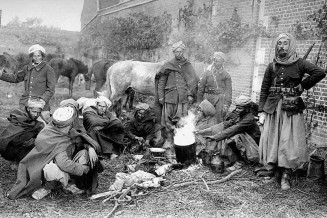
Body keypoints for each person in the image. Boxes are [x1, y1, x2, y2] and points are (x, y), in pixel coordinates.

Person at [257, 33, 326, 190]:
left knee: (288, 142)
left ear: (291, 45)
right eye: (279, 43)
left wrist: (302, 86)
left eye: (285, 43)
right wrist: (261, 110)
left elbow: (319, 73)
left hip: (290, 109)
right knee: (273, 139)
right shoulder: (271, 66)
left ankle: (286, 175)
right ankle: (273, 170)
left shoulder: (300, 63)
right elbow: (264, 89)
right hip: (273, 109)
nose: (282, 46)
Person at [7, 99, 102, 200]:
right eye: (68, 125)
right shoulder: (55, 137)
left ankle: (72, 183)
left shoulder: (58, 130)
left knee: (84, 153)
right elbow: (64, 163)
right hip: (48, 168)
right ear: (63, 125)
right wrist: (83, 169)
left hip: (63, 161)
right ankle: (50, 186)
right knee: (52, 169)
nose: (70, 127)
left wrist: (90, 148)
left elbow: (81, 139)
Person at [155, 41, 199, 153]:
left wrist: (190, 94)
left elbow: (192, 81)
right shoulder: (168, 65)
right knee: (167, 121)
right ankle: (168, 141)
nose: (179, 53)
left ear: (183, 52)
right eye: (176, 52)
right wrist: (161, 97)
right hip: (169, 97)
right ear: (173, 52)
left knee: (181, 120)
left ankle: (179, 141)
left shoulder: (188, 65)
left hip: (182, 98)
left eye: (180, 51)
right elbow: (161, 81)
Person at [196, 95, 260, 172]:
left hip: (252, 143)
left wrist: (215, 137)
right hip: (244, 139)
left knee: (232, 138)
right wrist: (202, 131)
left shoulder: (249, 119)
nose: (236, 110)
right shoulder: (239, 115)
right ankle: (234, 158)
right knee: (226, 134)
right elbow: (224, 124)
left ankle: (241, 161)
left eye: (239, 108)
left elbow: (233, 129)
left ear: (247, 109)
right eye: (236, 107)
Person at [0, 44, 56, 120]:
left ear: (42, 56)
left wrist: (42, 101)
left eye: (38, 55)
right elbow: (15, 78)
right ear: (31, 56)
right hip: (25, 105)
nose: (36, 58)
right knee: (19, 125)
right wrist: (1, 75)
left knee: (41, 128)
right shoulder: (27, 68)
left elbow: (51, 89)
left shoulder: (48, 69)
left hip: (41, 106)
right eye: (34, 56)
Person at [0, 98, 45, 163]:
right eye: (34, 112)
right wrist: (37, 142)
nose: (36, 115)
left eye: (39, 112)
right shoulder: (19, 117)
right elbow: (15, 140)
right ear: (29, 109)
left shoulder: (36, 118)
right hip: (9, 149)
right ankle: (19, 162)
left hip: (21, 144)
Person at [197, 52, 232, 123]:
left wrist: (226, 104)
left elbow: (229, 91)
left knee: (218, 119)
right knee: (204, 119)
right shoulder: (207, 73)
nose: (217, 63)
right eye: (216, 61)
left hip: (219, 100)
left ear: (223, 62)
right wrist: (199, 102)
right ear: (214, 61)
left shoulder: (226, 75)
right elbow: (201, 88)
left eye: (219, 61)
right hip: (207, 98)